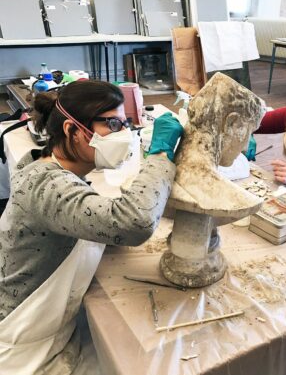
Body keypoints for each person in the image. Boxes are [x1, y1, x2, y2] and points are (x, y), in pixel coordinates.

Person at [0, 80, 183, 374]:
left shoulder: (47, 164)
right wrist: (160, 155)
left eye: (125, 124)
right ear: (72, 131)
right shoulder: (47, 187)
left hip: (52, 325)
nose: (122, 135)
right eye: (112, 124)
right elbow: (135, 222)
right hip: (25, 345)